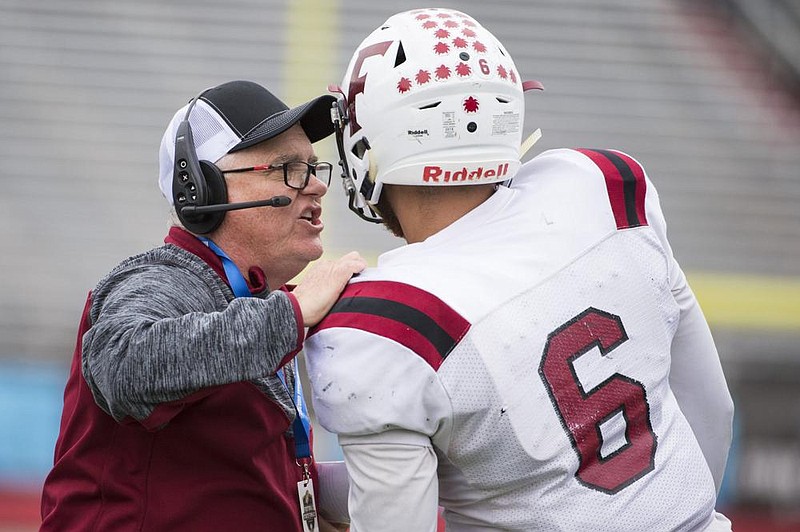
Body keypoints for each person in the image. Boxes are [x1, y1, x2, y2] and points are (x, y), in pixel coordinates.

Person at [305, 8, 735, 531]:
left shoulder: (381, 324)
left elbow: (406, 509)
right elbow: (709, 409)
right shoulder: (599, 186)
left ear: (365, 143)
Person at [40, 80, 365, 531]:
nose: (315, 186)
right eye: (287, 168)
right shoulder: (162, 279)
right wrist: (292, 313)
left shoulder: (253, 301)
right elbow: (123, 365)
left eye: (313, 166)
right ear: (202, 188)